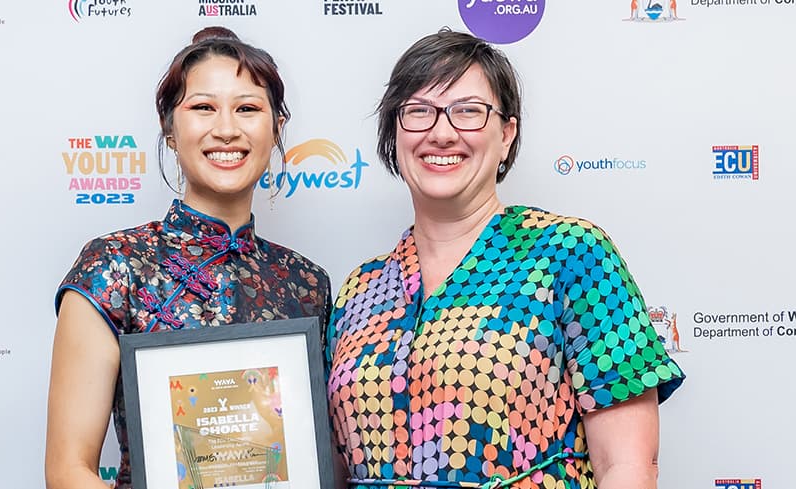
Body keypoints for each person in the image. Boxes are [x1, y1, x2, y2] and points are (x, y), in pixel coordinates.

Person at [325, 29, 684, 489]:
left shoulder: (571, 254)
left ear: (506, 135)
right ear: (393, 133)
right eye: (418, 112)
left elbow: (628, 467)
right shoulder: (360, 288)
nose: (441, 132)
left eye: (468, 112)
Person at [45, 26, 331, 489]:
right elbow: (68, 472)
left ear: (277, 128)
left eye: (248, 108)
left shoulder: (306, 282)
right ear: (170, 130)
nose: (226, 129)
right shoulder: (115, 265)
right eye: (202, 107)